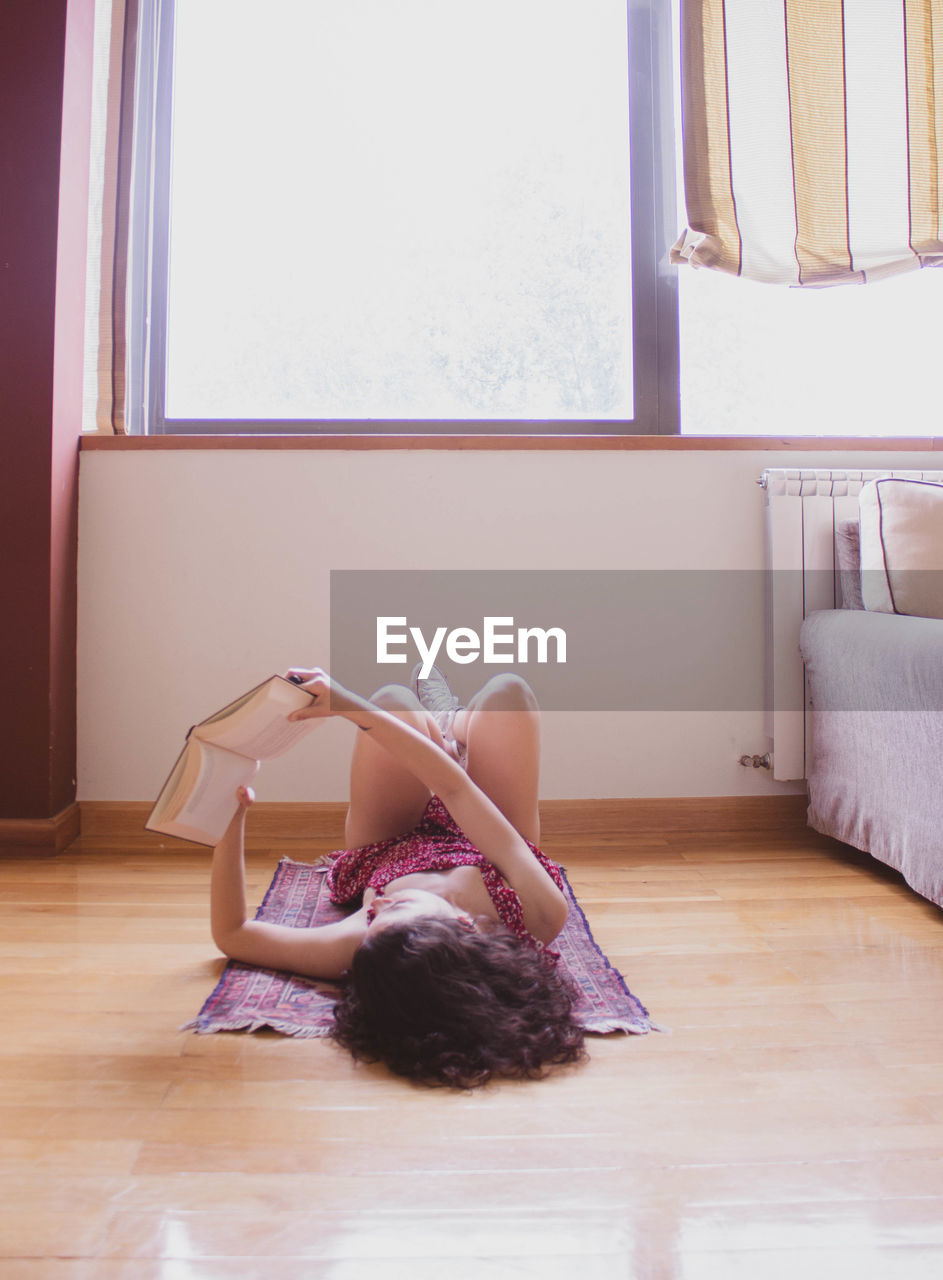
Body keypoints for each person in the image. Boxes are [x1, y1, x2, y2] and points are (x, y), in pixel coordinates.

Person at [209, 666, 586, 1088]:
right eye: (399, 907)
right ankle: (451, 725)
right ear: (464, 926)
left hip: (393, 840)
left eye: (372, 919)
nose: (377, 906)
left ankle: (440, 733)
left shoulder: (368, 945)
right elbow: (455, 790)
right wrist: (345, 704)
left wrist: (229, 817)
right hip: (491, 824)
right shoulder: (539, 912)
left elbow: (234, 934)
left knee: (392, 702)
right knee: (509, 693)